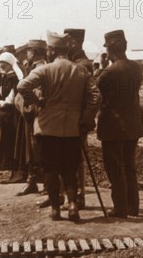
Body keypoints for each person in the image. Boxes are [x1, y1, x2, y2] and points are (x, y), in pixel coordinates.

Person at [17, 31, 100, 222]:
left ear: (52, 50)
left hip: (47, 128)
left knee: (51, 169)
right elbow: (96, 97)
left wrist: (37, 102)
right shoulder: (81, 70)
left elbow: (22, 86)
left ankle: (55, 208)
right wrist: (85, 118)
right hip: (72, 128)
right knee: (70, 168)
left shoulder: (44, 70)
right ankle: (72, 205)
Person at [96, 30, 143, 219]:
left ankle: (120, 208)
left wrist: (101, 67)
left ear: (110, 50)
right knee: (129, 165)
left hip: (113, 126)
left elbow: (96, 92)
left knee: (115, 166)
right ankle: (132, 206)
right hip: (133, 123)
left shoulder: (108, 72)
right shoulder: (136, 67)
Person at [64, 28, 102, 208]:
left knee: (77, 158)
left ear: (75, 42)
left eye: (68, 40)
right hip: (68, 119)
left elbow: (93, 96)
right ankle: (71, 195)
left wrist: (85, 119)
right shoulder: (71, 61)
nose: (66, 44)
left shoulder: (83, 64)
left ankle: (79, 196)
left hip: (77, 120)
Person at [15, 40, 47, 196]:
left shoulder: (40, 69)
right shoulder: (34, 67)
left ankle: (43, 183)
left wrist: (31, 102)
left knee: (38, 149)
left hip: (36, 115)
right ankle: (32, 181)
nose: (27, 54)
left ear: (33, 53)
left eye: (28, 51)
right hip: (31, 114)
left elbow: (36, 93)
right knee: (32, 150)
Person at [0, 52, 22, 175]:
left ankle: (15, 170)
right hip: (3, 110)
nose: (1, 65)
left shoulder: (14, 77)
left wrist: (1, 102)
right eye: (0, 63)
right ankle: (8, 168)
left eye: (4, 63)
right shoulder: (3, 76)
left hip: (11, 113)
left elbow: (13, 96)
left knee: (10, 141)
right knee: (3, 140)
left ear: (9, 64)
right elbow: (0, 93)